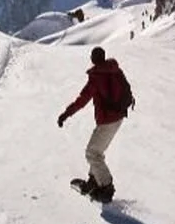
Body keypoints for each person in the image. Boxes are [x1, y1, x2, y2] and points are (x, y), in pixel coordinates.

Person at [57, 46, 133, 203]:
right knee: (96, 150)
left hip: (107, 121)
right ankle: (94, 180)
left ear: (93, 59)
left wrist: (65, 114)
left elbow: (82, 100)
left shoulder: (96, 77)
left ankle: (106, 187)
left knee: (92, 153)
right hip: (118, 118)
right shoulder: (115, 70)